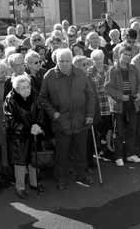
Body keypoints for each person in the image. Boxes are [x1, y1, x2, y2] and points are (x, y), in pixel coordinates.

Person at [39, 48, 95, 189]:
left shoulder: (81, 74)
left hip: (80, 119)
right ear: (56, 61)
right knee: (62, 153)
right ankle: (61, 178)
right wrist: (54, 114)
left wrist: (89, 115)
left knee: (81, 151)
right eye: (61, 61)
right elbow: (42, 98)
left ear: (72, 60)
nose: (64, 64)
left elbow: (90, 96)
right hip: (61, 121)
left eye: (67, 61)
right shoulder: (49, 76)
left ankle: (81, 174)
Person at [4, 74, 44, 198]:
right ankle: (20, 187)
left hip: (34, 133)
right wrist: (28, 128)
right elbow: (10, 120)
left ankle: (34, 183)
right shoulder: (11, 99)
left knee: (33, 159)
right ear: (16, 89)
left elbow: (40, 112)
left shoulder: (34, 95)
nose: (27, 90)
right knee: (20, 162)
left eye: (28, 87)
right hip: (19, 136)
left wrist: (38, 124)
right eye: (23, 88)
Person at [104, 45, 140, 166]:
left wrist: (138, 93)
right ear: (119, 55)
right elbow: (108, 87)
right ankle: (118, 156)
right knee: (118, 131)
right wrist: (121, 96)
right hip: (118, 105)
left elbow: (139, 83)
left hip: (132, 103)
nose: (127, 57)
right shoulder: (113, 70)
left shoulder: (133, 69)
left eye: (129, 55)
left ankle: (131, 154)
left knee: (132, 129)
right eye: (124, 54)